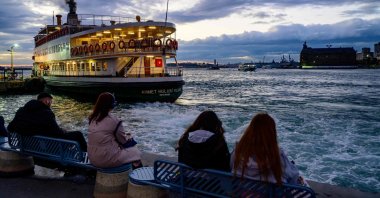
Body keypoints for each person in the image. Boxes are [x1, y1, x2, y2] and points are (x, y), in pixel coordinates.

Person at [231, 112, 306, 186]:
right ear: (271, 133)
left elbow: (231, 166)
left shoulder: (238, 151)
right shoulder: (277, 156)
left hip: (242, 192)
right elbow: (293, 176)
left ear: (250, 131)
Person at [7, 92, 87, 151]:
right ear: (46, 101)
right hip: (47, 149)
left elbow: (10, 128)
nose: (50, 104)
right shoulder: (46, 113)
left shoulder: (21, 111)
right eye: (50, 102)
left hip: (26, 147)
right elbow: (57, 133)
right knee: (78, 135)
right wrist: (63, 131)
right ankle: (87, 157)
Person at [87, 92, 142, 169]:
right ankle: (138, 176)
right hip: (106, 160)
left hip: (92, 158)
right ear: (112, 105)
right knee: (135, 152)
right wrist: (130, 138)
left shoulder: (92, 118)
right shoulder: (115, 121)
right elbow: (123, 141)